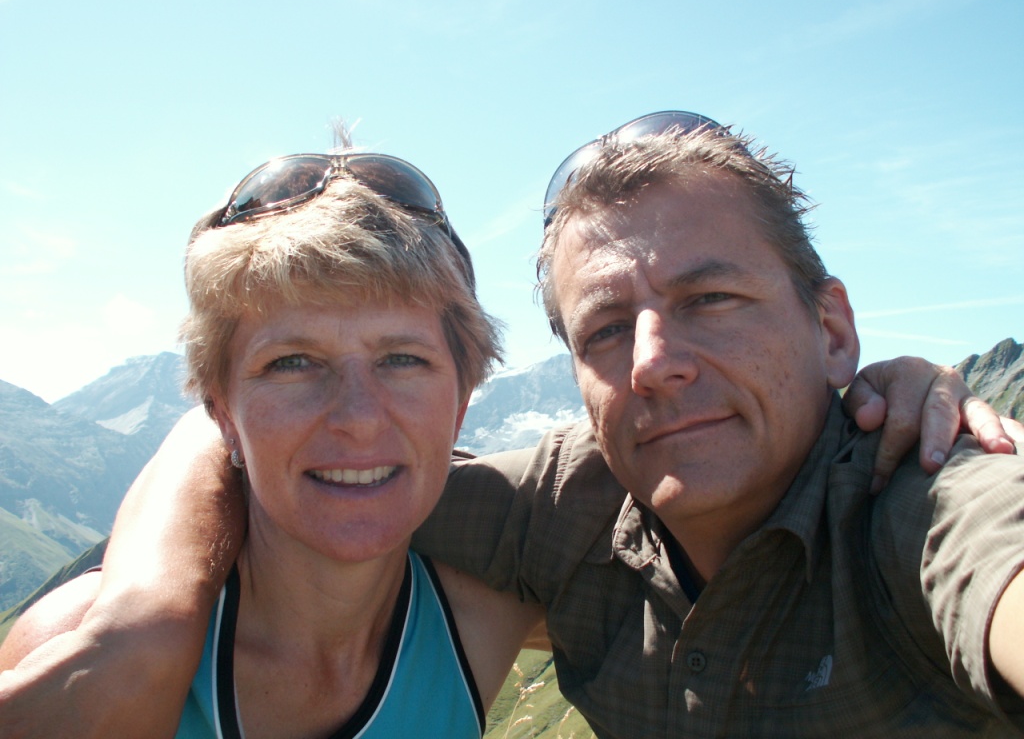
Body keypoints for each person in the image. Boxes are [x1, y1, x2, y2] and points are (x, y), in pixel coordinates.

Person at [1, 115, 1021, 738]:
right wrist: (148, 622)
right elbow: (269, 462)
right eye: (606, 329)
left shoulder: (929, 494)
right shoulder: (557, 514)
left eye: (712, 299)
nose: (654, 360)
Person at [0, 149, 544, 737]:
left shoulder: (484, 620)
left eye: (403, 359)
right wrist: (149, 624)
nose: (359, 418)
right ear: (222, 413)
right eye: (292, 362)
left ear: (460, 406)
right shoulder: (82, 652)